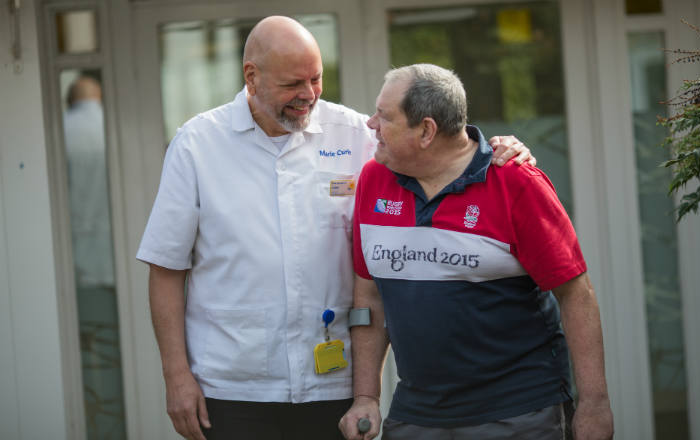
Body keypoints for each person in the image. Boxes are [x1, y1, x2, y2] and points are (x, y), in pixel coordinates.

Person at [136, 17, 533, 440]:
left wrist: (491, 151)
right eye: (293, 84)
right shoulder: (197, 143)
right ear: (251, 77)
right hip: (232, 386)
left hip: (333, 384)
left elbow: (435, 155)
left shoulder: (356, 134)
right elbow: (166, 269)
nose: (307, 95)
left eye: (316, 79)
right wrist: (176, 376)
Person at [339, 64, 614, 440]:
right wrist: (366, 396)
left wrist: (594, 403)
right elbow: (369, 297)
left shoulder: (516, 183)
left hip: (519, 412)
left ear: (426, 131)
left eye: (384, 117)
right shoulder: (374, 179)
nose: (371, 124)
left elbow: (576, 295)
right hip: (417, 413)